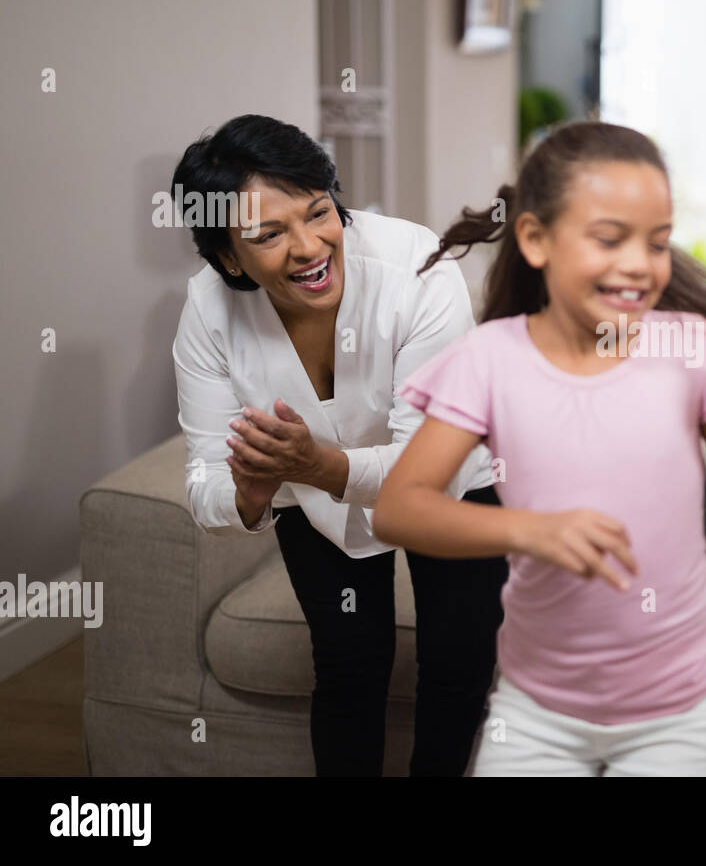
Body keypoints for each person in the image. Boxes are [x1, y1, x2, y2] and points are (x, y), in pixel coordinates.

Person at [372, 120, 706, 776]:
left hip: (680, 709)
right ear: (535, 238)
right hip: (536, 709)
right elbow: (398, 508)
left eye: (657, 242)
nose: (638, 264)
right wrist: (529, 530)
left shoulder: (691, 348)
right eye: (609, 239)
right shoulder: (489, 359)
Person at [170, 114, 506, 776]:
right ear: (229, 258)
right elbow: (203, 482)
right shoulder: (209, 312)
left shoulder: (419, 270)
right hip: (313, 501)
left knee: (459, 665)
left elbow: (427, 466)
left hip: (452, 481)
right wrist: (249, 490)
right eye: (268, 235)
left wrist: (316, 464)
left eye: (318, 212)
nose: (308, 246)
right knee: (349, 668)